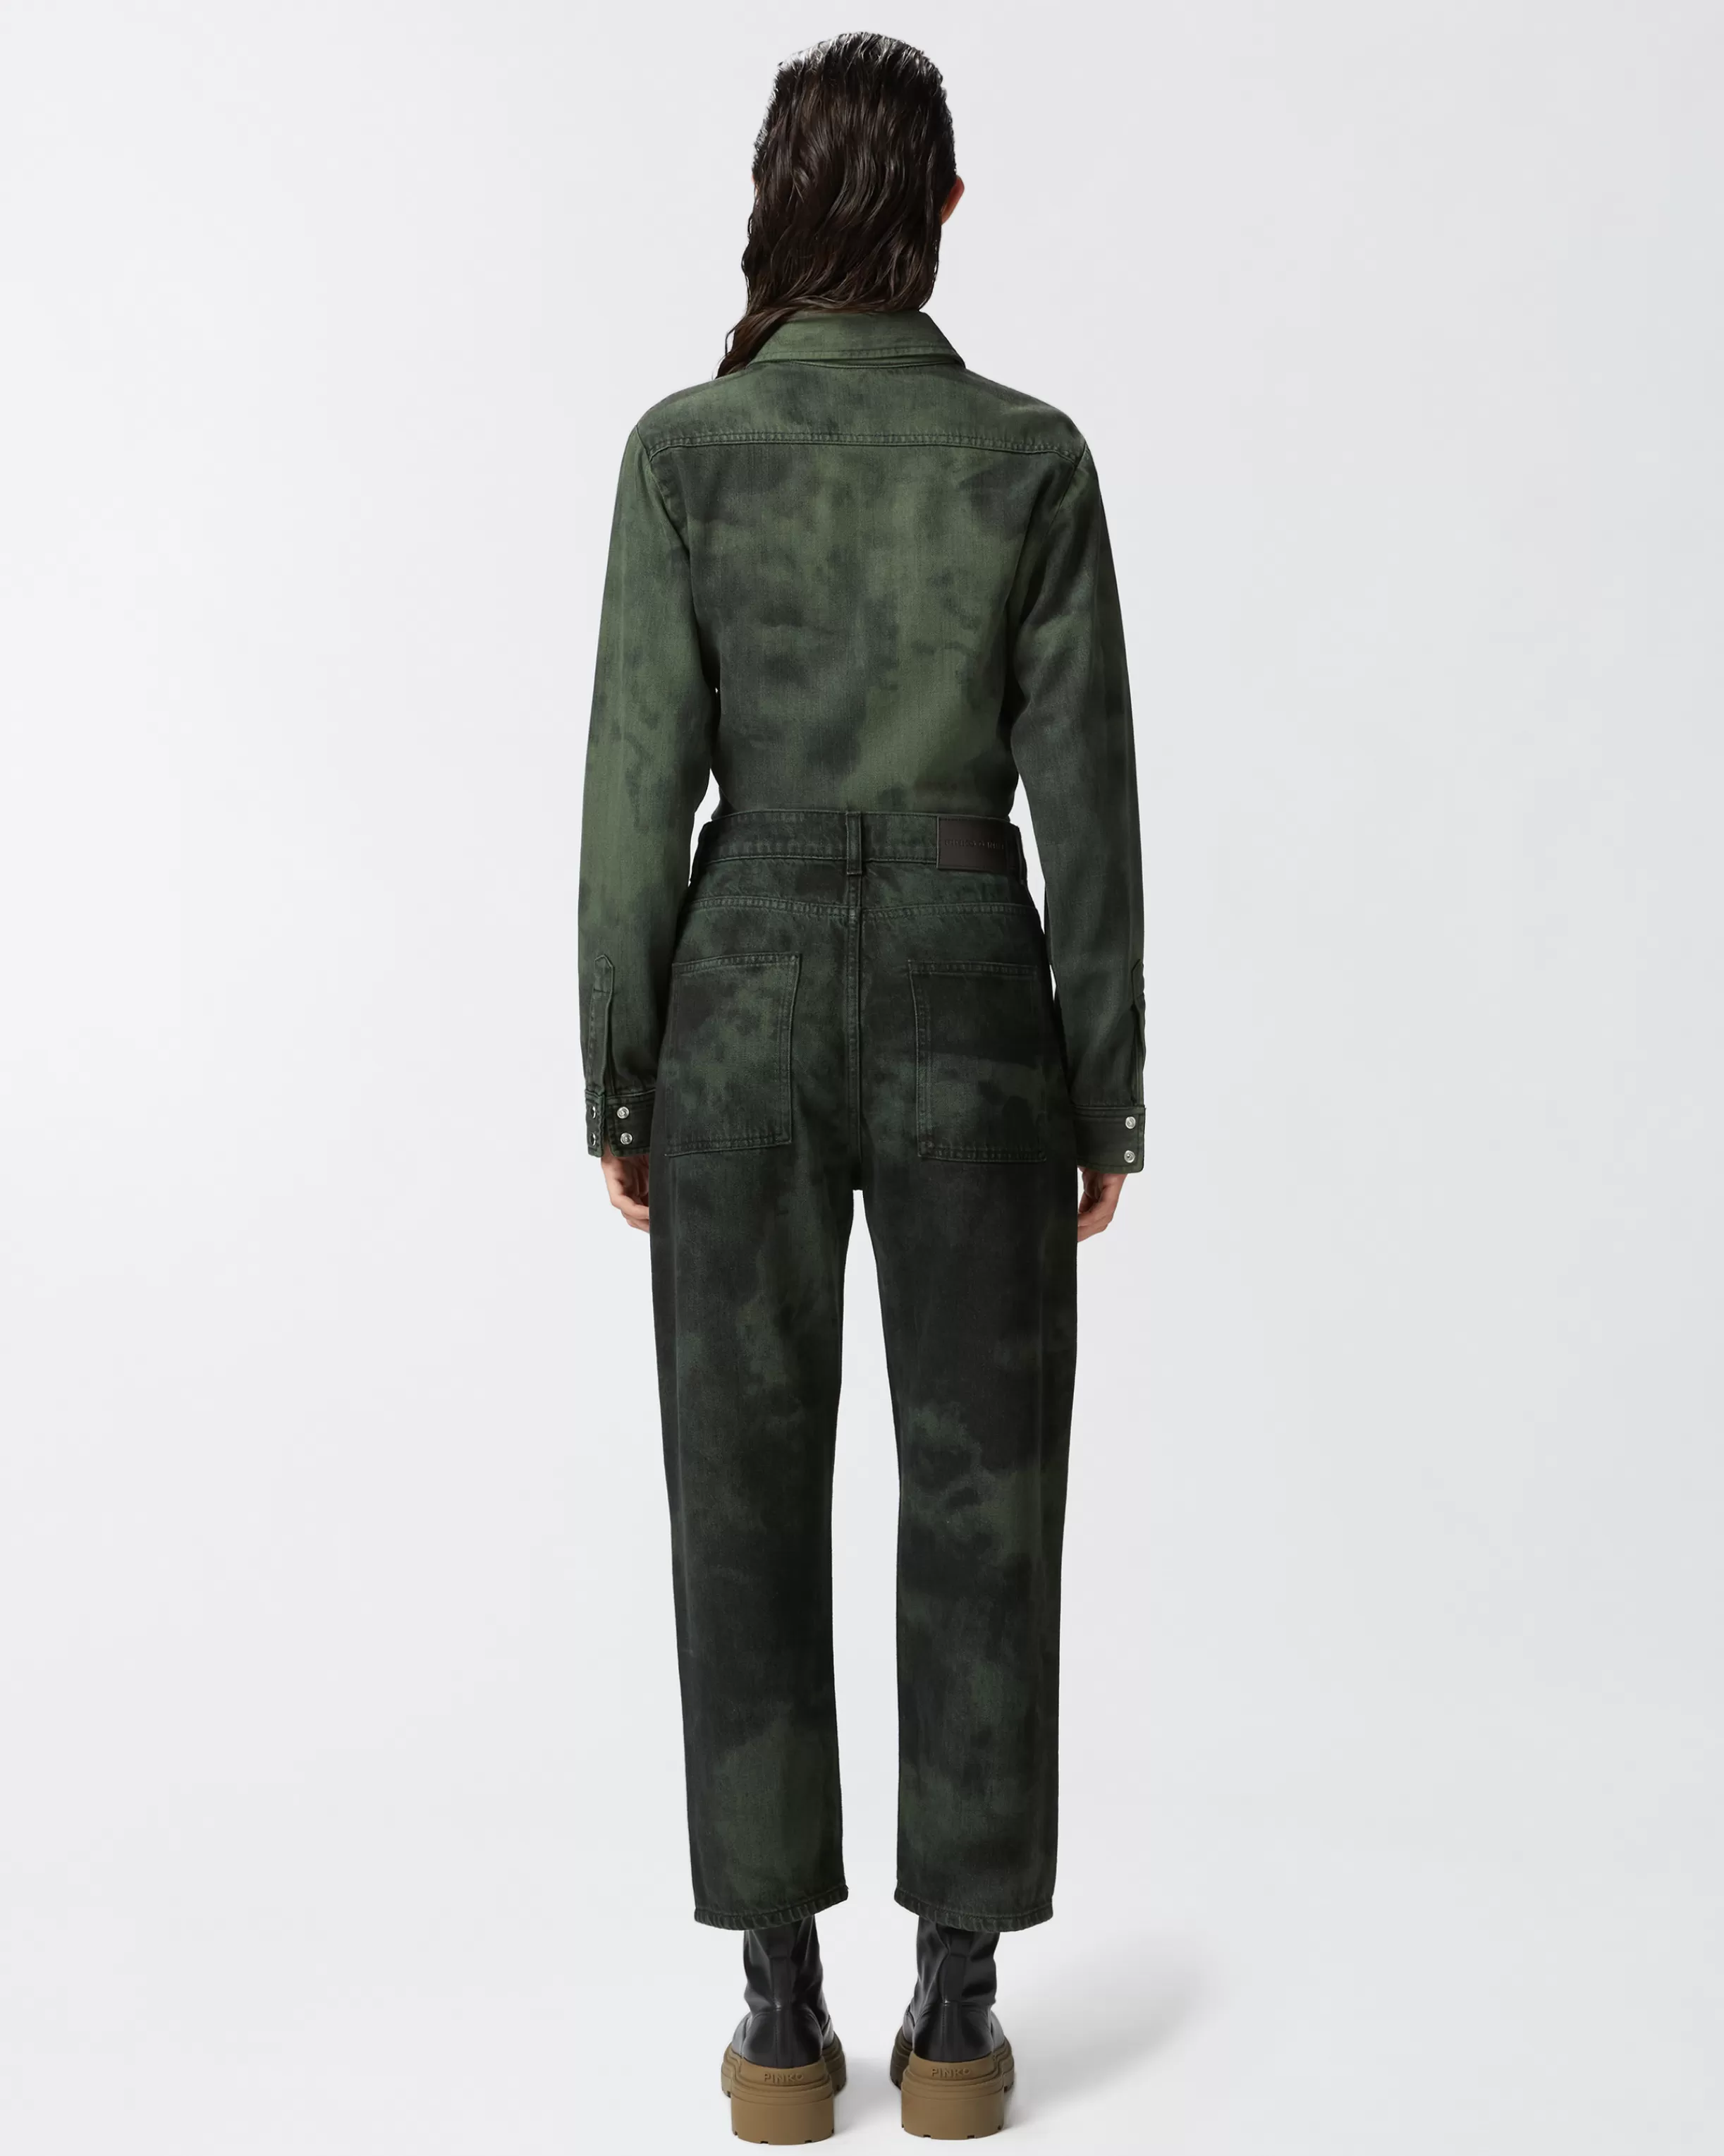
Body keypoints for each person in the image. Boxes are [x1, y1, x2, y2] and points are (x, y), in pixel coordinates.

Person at [578, 32, 1142, 2143]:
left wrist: (622, 1070)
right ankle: (961, 2009)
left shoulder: (684, 455)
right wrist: (1102, 1083)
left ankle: (777, 2010)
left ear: (775, 201)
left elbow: (635, 791)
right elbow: (1087, 806)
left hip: (734, 990)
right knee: (984, 1481)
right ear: (944, 214)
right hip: (973, 987)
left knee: (738, 1482)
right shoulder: (1030, 461)